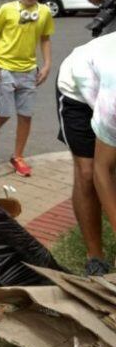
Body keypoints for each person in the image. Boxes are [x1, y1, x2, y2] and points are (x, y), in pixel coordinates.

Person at [0, 0, 54, 177]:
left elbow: (45, 39)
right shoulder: (7, 9)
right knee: (3, 114)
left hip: (29, 72)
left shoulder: (45, 12)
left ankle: (18, 156)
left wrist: (47, 65)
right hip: (4, 70)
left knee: (26, 116)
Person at [56, 31, 116, 275]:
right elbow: (104, 170)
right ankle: (95, 256)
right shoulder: (113, 103)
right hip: (77, 91)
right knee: (89, 172)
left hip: (103, 75)